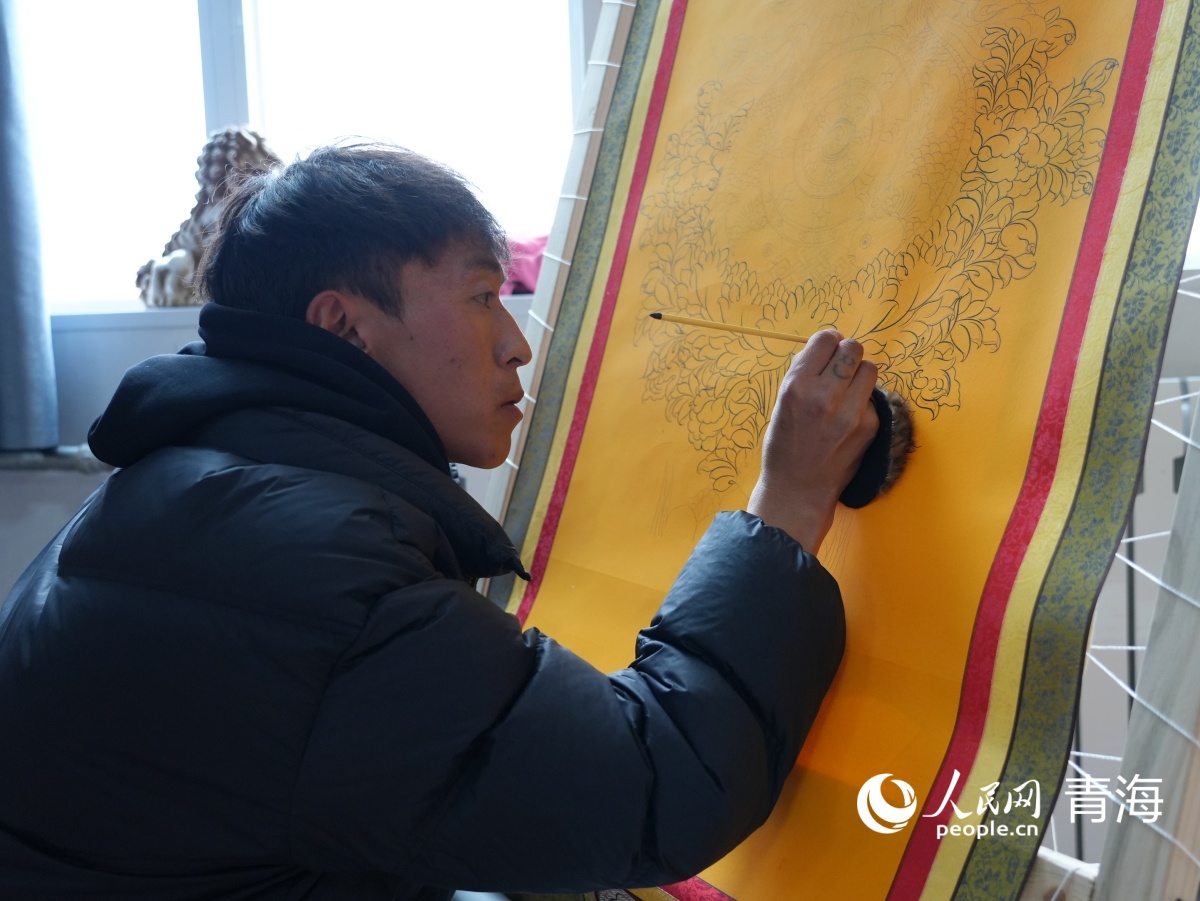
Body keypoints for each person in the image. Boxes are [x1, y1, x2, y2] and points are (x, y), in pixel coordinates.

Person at [0, 144, 879, 900]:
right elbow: (658, 782)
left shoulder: (178, 483)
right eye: (482, 295)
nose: (517, 342)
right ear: (344, 328)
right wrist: (789, 501)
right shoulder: (316, 573)